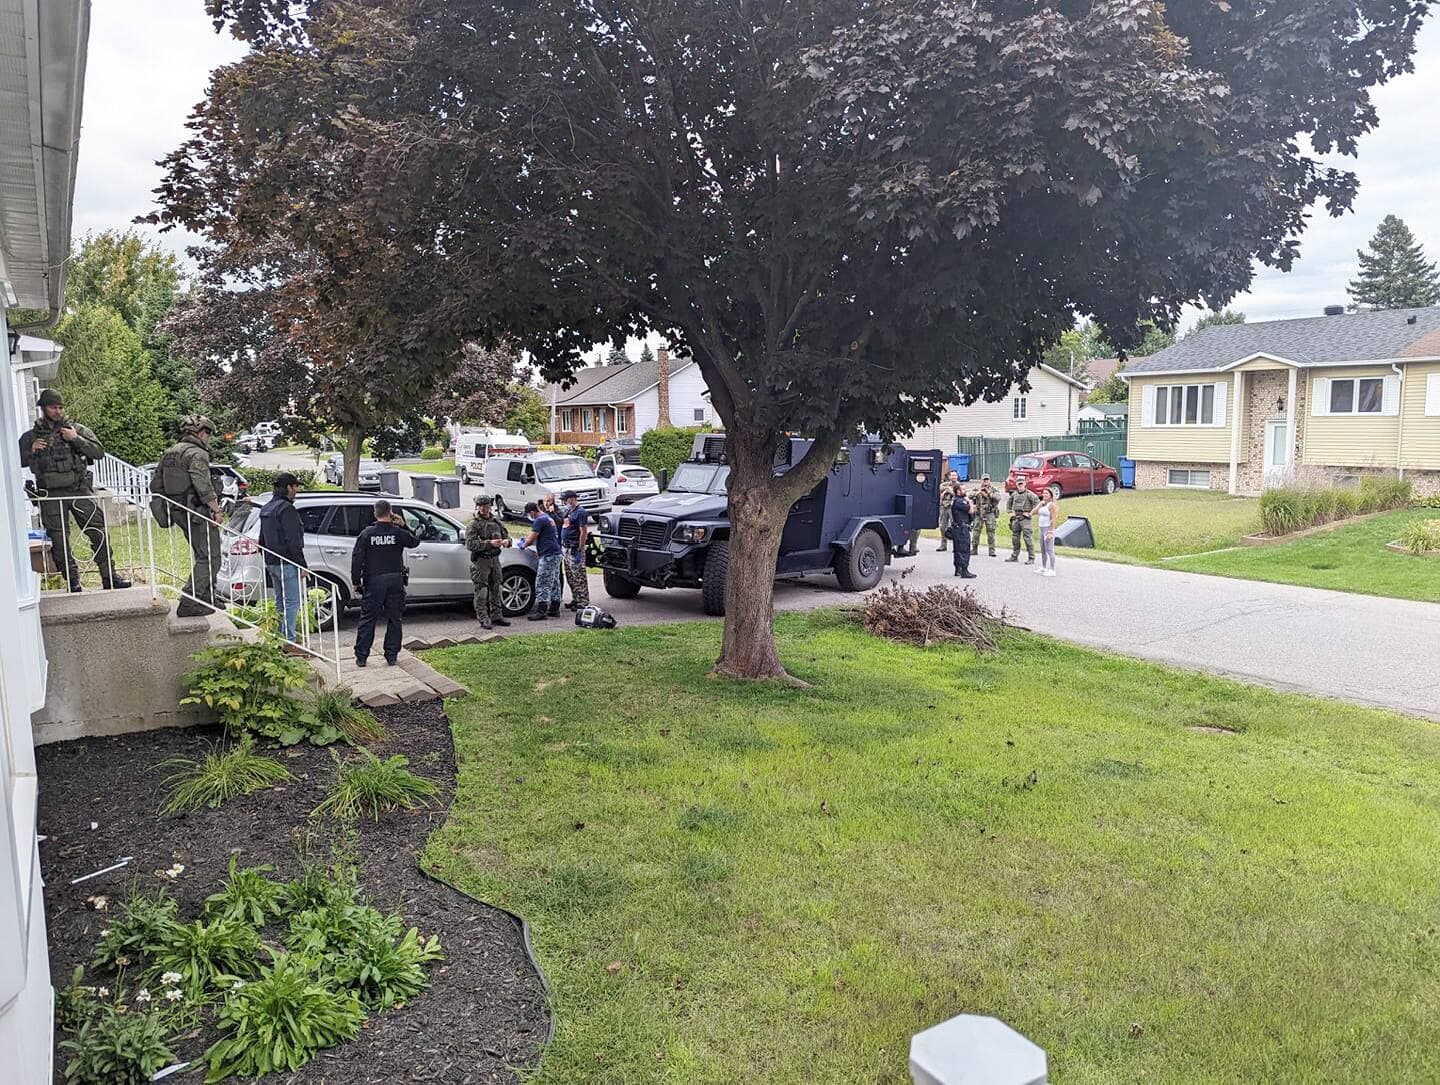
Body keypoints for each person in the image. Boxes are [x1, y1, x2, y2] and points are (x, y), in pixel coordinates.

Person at [19, 389, 130, 592]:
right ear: (43, 409)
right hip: (50, 495)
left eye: (61, 407)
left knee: (97, 532)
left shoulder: (76, 429)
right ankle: (72, 581)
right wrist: (31, 450)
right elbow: (15, 460)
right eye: (54, 407)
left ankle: (109, 576)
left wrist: (75, 439)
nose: (58, 411)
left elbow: (98, 452)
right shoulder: (30, 436)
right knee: (59, 539)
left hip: (78, 490)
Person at [155, 415, 224, 616]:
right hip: (196, 512)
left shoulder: (171, 452)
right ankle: (189, 600)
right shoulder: (197, 454)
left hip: (179, 511)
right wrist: (217, 510)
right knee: (211, 557)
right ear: (202, 432)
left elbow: (156, 484)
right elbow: (203, 486)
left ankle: (207, 596)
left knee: (201, 553)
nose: (208, 439)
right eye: (208, 434)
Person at [350, 498, 419, 666]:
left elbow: (357, 558)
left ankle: (361, 656)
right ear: (391, 512)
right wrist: (403, 525)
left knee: (368, 618)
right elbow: (414, 542)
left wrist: (355, 581)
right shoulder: (398, 532)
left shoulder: (367, 534)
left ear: (375, 513)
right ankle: (391, 655)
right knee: (395, 618)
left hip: (374, 581)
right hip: (395, 579)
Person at [257, 472, 309, 644]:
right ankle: (290, 640)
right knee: (293, 602)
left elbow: (261, 539)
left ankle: (280, 637)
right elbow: (293, 541)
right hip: (286, 562)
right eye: (295, 487)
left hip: (271, 562)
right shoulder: (287, 509)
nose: (297, 491)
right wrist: (302, 565)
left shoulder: (266, 508)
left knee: (280, 601)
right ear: (289, 487)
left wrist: (268, 557)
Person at [464, 494, 512, 630]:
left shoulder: (496, 522)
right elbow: (470, 544)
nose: (484, 508)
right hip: (481, 560)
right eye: (481, 506)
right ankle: (483, 618)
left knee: (496, 587)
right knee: (482, 590)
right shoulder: (474, 524)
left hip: (494, 559)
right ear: (477, 507)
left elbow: (506, 535)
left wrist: (506, 542)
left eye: (486, 506)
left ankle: (497, 615)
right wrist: (489, 543)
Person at [517, 499, 562, 620]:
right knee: (554, 581)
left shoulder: (539, 520)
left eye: (528, 514)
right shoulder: (547, 517)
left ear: (532, 512)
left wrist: (523, 545)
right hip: (555, 553)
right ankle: (554, 608)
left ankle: (541, 611)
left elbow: (532, 538)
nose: (528, 516)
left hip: (548, 555)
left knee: (542, 582)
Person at [559, 490, 592, 610]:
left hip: (575, 548)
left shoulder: (581, 512)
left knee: (579, 576)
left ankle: (583, 601)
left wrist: (580, 549)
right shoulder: (568, 511)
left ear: (572, 499)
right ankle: (575, 598)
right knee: (570, 575)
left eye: (565, 499)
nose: (564, 502)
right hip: (566, 547)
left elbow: (583, 531)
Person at [1005, 477, 1039, 565]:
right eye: (1018, 484)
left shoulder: (1030, 494)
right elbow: (1009, 503)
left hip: (1025, 519)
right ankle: (1014, 556)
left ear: (1025, 484)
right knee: (1015, 538)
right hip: (1016, 518)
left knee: (1028, 538)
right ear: (1016, 485)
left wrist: (1030, 513)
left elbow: (1038, 505)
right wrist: (1010, 512)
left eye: (1021, 484)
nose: (1020, 486)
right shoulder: (1014, 494)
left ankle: (1031, 557)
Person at [949, 487, 977, 579]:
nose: (966, 491)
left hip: (958, 527)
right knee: (964, 549)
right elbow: (971, 510)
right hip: (962, 528)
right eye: (963, 489)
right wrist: (970, 502)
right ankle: (964, 570)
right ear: (958, 491)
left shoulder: (956, 500)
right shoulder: (960, 501)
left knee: (958, 549)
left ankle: (958, 570)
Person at [969, 474, 1000, 557]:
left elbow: (998, 498)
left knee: (991, 532)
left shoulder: (994, 489)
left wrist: (988, 493)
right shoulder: (977, 489)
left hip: (990, 513)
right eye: (984, 480)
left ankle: (992, 551)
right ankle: (974, 549)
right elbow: (970, 495)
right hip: (979, 513)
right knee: (976, 532)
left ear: (990, 480)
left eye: (987, 480)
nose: (986, 481)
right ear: (981, 480)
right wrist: (979, 492)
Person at [1035, 489, 1059, 577]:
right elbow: (1035, 512)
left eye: (1046, 493)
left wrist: (1050, 531)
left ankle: (1052, 570)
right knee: (1043, 549)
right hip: (1041, 528)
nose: (1044, 495)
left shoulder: (1051, 505)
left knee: (1050, 549)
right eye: (1044, 493)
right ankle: (1044, 567)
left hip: (1048, 529)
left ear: (1051, 495)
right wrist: (1040, 504)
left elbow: (1053, 519)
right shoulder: (1043, 504)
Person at [936, 470, 960, 552]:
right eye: (952, 475)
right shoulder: (945, 484)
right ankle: (943, 545)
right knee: (943, 526)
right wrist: (946, 489)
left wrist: (950, 491)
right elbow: (938, 488)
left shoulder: (959, 485)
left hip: (953, 507)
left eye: (955, 475)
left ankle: (956, 545)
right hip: (943, 507)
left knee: (954, 526)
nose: (953, 477)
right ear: (949, 476)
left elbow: (959, 494)